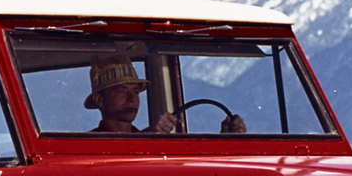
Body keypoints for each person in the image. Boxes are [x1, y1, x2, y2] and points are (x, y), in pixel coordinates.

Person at [83, 58, 246, 134]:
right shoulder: (87, 146)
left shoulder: (157, 142)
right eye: (121, 90)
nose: (132, 98)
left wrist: (226, 139)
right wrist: (149, 137)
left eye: (135, 92)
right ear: (99, 99)